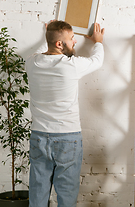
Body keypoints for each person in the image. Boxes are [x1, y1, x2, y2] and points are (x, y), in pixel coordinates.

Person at [26, 20, 105, 207]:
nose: (75, 42)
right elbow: (97, 61)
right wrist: (98, 41)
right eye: (71, 38)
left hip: (39, 136)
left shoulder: (32, 62)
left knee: (37, 191)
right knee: (67, 195)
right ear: (59, 44)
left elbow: (40, 51)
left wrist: (49, 33)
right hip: (68, 138)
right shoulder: (71, 65)